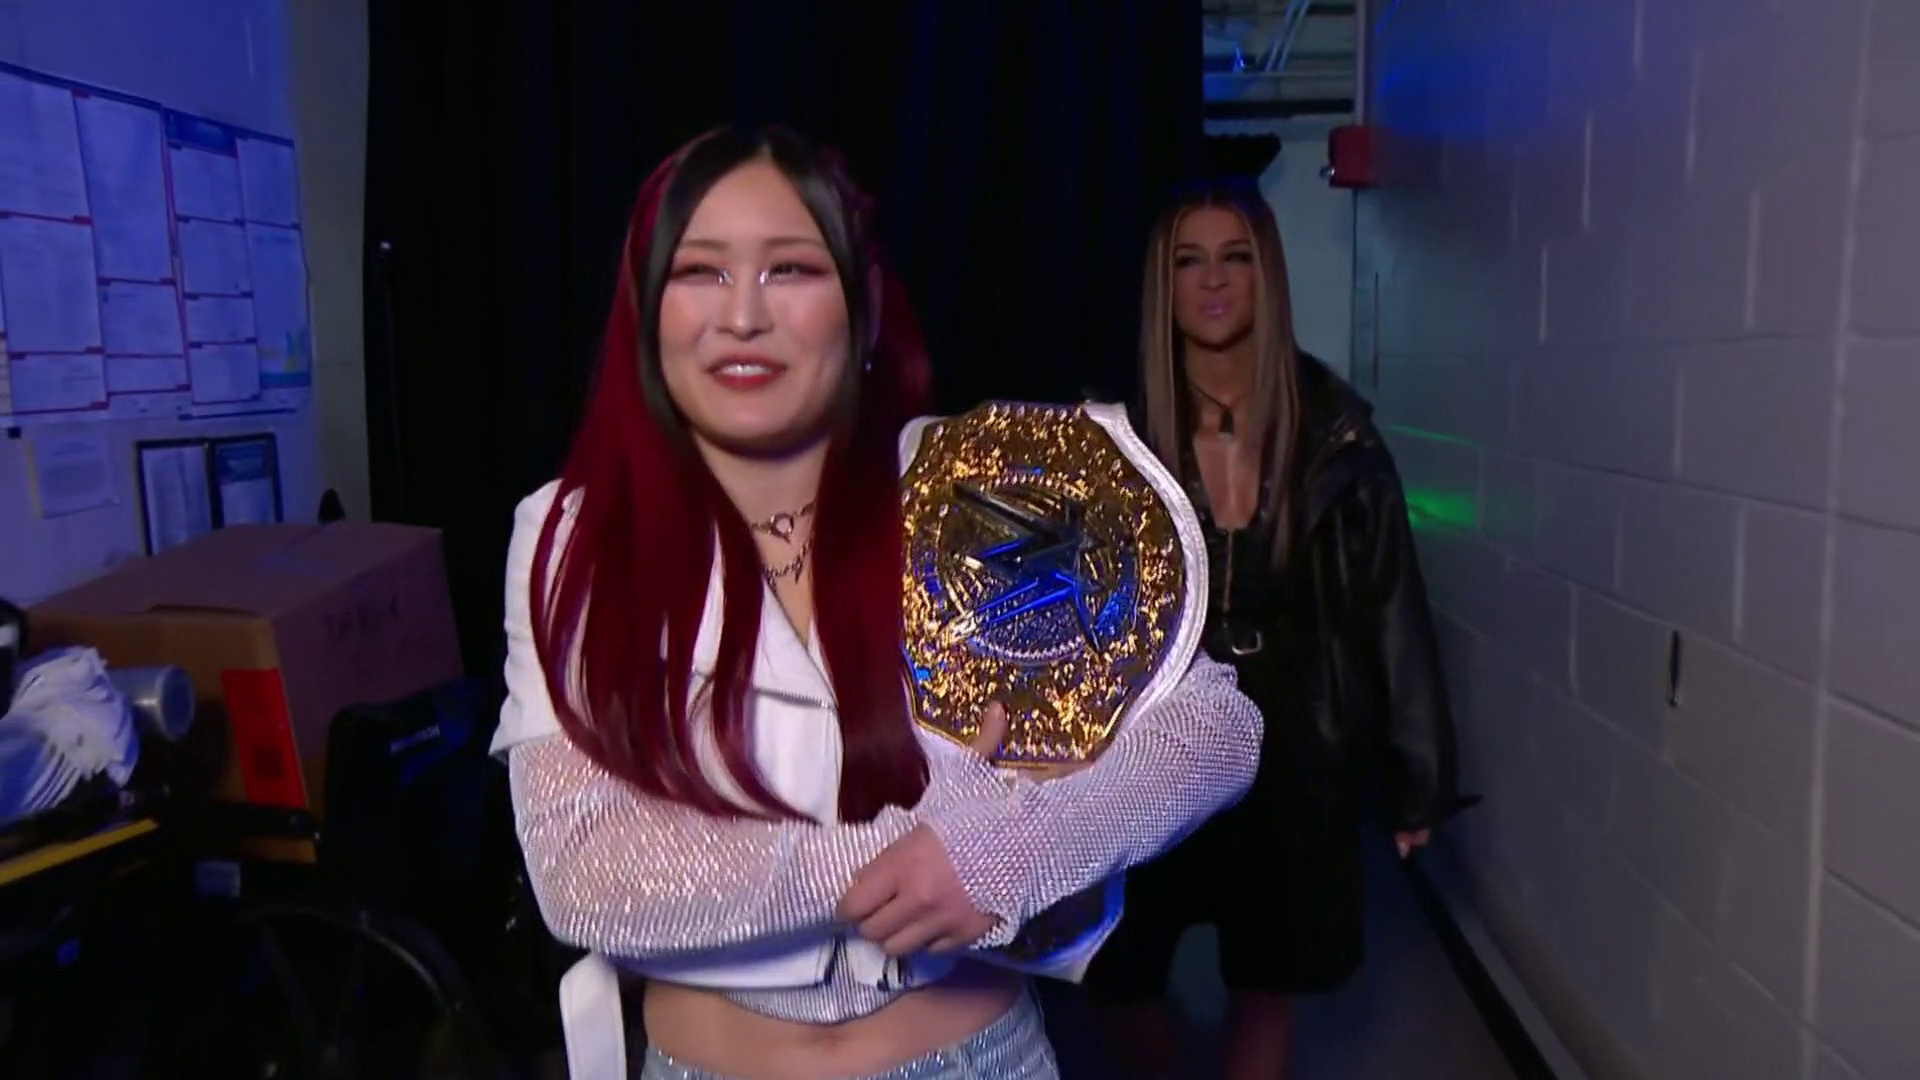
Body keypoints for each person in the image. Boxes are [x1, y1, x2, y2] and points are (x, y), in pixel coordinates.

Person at [490, 126, 1265, 1080]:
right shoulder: (573, 537)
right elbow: (584, 873)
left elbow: (1218, 731)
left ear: (860, 311)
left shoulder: (975, 489)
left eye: (789, 269)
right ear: (647, 311)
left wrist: (1013, 851)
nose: (742, 315)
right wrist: (911, 852)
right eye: (700, 271)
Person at [1078, 180, 1462, 1079]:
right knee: (1118, 973)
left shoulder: (1336, 430)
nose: (1213, 281)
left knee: (1268, 974)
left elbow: (1389, 607)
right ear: (1164, 284)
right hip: (1151, 732)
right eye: (1189, 261)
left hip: (1292, 739)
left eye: (1235, 259)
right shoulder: (1112, 427)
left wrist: (1417, 778)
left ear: (1267, 277)